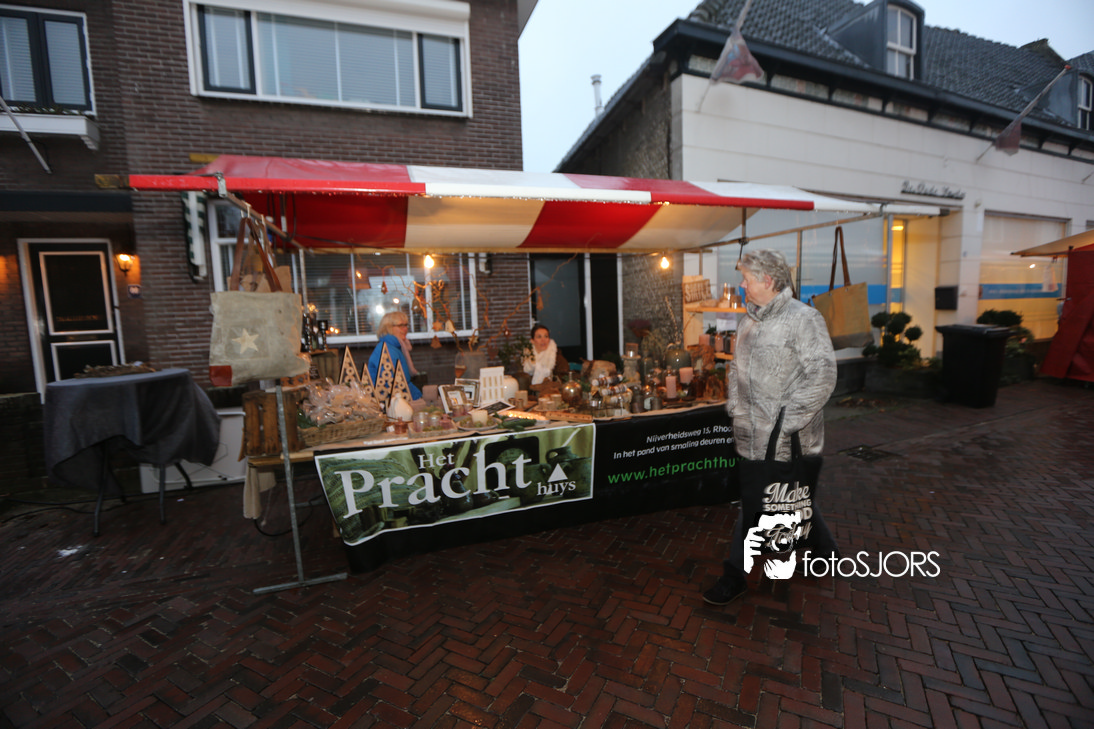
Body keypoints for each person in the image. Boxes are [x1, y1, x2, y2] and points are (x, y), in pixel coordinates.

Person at [703, 249, 839, 606]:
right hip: (752, 436)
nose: (742, 285)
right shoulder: (749, 320)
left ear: (768, 280)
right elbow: (736, 368)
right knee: (791, 497)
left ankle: (734, 575)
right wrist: (736, 407)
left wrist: (786, 422)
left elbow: (823, 376)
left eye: (747, 278)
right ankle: (826, 551)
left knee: (753, 505)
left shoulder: (803, 319)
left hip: (788, 440)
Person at [368, 311, 422, 400]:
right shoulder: (386, 349)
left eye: (406, 325)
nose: (405, 329)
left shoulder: (396, 347)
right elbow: (393, 384)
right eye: (401, 325)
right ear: (388, 328)